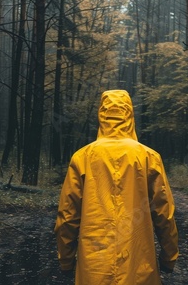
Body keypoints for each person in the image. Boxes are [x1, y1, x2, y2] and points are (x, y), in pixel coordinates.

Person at [54, 89, 179, 284]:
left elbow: (67, 216)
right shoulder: (148, 157)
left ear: (101, 115)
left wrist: (66, 261)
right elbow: (164, 213)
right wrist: (168, 257)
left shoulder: (82, 157)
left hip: (94, 268)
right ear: (130, 115)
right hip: (138, 267)